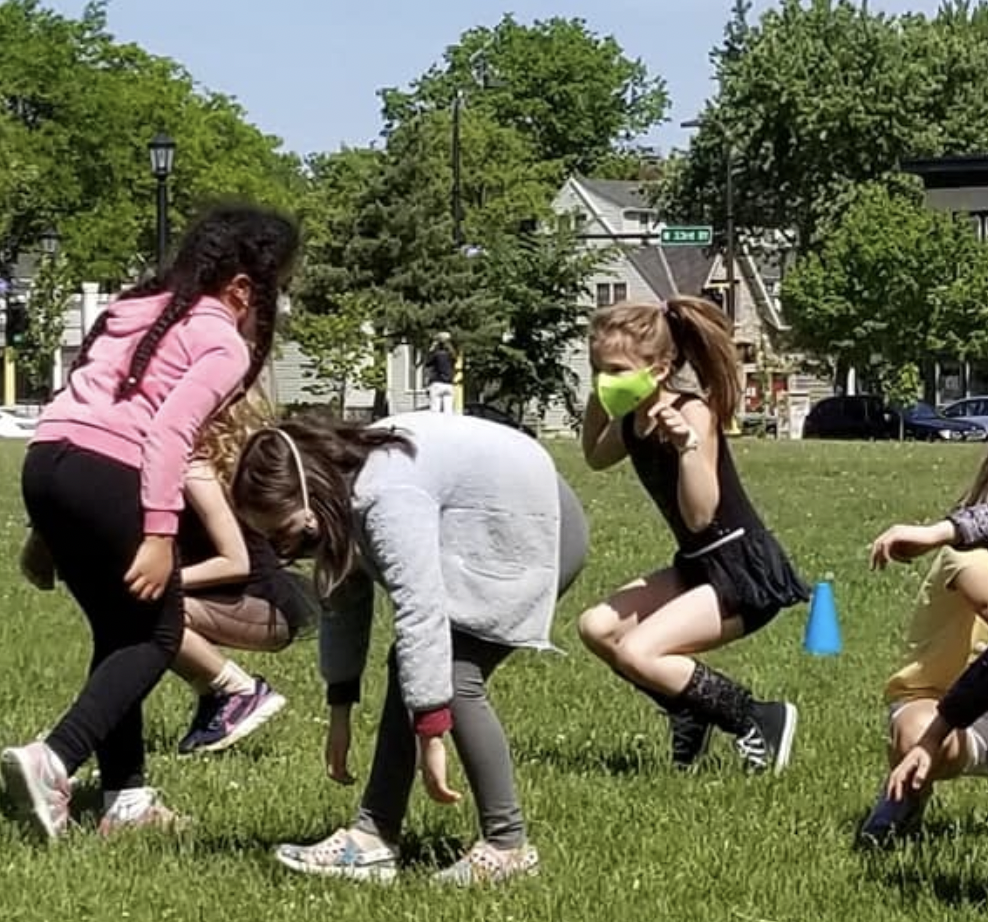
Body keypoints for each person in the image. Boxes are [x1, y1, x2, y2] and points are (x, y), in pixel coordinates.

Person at [2, 201, 300, 841]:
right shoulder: (221, 340)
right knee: (156, 637)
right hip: (114, 474)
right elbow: (169, 435)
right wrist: (162, 534)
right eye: (273, 291)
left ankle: (127, 801)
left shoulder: (133, 308)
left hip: (45, 461)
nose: (271, 308)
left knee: (120, 633)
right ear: (241, 288)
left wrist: (45, 530)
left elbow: (80, 404)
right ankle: (54, 759)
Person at [230, 410, 589, 885]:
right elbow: (343, 596)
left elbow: (421, 609)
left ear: (312, 495)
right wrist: (340, 706)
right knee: (415, 663)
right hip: (492, 512)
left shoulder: (385, 497)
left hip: (532, 520)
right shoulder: (341, 493)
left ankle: (508, 846)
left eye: (286, 533)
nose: (285, 550)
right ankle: (373, 838)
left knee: (456, 674)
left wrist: (431, 732)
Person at [577, 299, 807, 774]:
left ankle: (757, 717)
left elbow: (700, 515)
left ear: (659, 369)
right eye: (598, 370)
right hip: (698, 565)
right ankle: (690, 708)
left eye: (616, 371)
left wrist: (687, 448)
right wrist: (598, 401)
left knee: (638, 651)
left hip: (741, 571)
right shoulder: (633, 420)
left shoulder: (692, 412)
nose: (605, 380)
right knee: (597, 628)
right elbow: (595, 458)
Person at [168, 388, 319, 756]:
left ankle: (240, 691)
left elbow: (235, 563)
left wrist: (167, 581)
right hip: (231, 600)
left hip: (263, 604)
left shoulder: (196, 468)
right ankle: (215, 699)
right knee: (138, 615)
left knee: (149, 612)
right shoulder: (182, 462)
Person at [864, 454, 988, 844]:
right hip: (943, 705)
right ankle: (906, 797)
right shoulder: (965, 555)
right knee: (916, 731)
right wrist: (940, 533)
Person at [424, 332, 456, 414]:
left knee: (435, 410)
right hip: (449, 384)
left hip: (437, 383)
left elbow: (427, 362)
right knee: (448, 411)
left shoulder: (436, 354)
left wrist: (431, 349)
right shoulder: (452, 355)